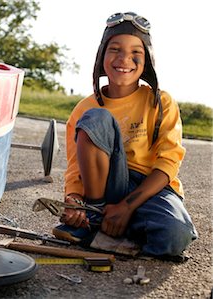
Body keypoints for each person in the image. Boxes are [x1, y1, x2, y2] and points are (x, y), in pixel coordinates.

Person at [53, 12, 198, 260]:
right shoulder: (84, 109)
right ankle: (96, 214)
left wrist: (127, 207)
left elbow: (168, 162)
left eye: (135, 53)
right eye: (115, 49)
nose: (124, 59)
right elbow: (75, 169)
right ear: (102, 56)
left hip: (150, 187)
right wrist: (75, 201)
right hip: (104, 184)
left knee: (175, 236)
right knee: (97, 118)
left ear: (147, 61)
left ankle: (101, 232)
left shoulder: (161, 102)